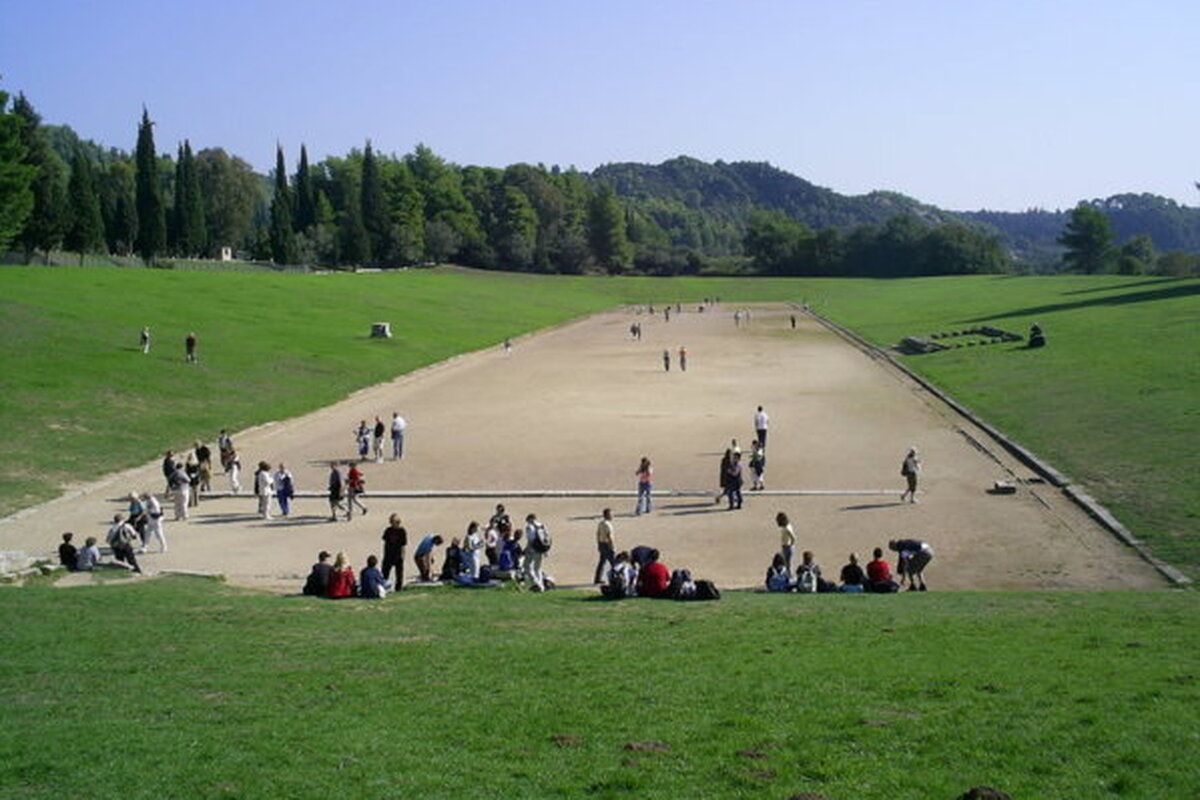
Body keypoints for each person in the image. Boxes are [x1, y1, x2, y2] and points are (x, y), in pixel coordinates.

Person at [523, 513, 550, 591]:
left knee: (527, 566)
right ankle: (541, 587)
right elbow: (546, 538)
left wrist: (526, 549)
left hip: (533, 549)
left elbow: (530, 540)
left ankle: (536, 583)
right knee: (538, 568)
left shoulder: (529, 527)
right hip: (541, 549)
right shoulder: (542, 525)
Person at [380, 514, 407, 589]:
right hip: (388, 554)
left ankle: (398, 587)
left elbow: (403, 545)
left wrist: (403, 556)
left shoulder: (402, 531)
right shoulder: (388, 530)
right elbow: (385, 542)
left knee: (399, 574)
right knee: (385, 572)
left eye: (393, 521)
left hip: (398, 555)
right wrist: (384, 554)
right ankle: (384, 586)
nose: (391, 523)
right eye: (391, 521)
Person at [594, 507, 616, 584]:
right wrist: (612, 546)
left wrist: (598, 544)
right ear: (607, 515)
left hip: (601, 544)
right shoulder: (608, 525)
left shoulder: (601, 523)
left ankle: (597, 578)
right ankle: (615, 579)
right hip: (607, 545)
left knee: (602, 562)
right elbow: (609, 537)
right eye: (611, 514)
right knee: (614, 563)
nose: (612, 516)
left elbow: (598, 534)